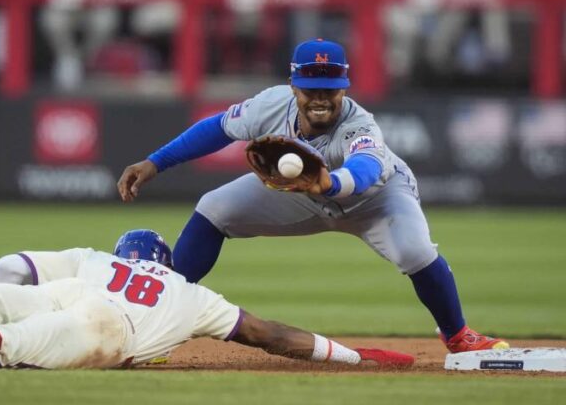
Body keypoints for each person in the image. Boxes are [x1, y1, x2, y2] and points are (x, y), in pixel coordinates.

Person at [116, 38, 509, 354]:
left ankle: (457, 335)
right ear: (293, 86)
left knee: (415, 252)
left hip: (377, 198)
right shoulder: (270, 105)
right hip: (304, 193)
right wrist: (155, 162)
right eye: (311, 88)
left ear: (345, 88)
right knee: (213, 209)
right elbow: (216, 129)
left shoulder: (360, 123)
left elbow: (366, 169)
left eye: (331, 89)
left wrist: (329, 184)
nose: (321, 97)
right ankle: (156, 315)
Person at [0, 224, 413, 370]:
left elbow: (13, 266)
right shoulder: (193, 294)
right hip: (108, 327)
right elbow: (271, 335)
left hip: (72, 290)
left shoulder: (99, 258)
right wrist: (354, 356)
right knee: (7, 351)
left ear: (127, 252)